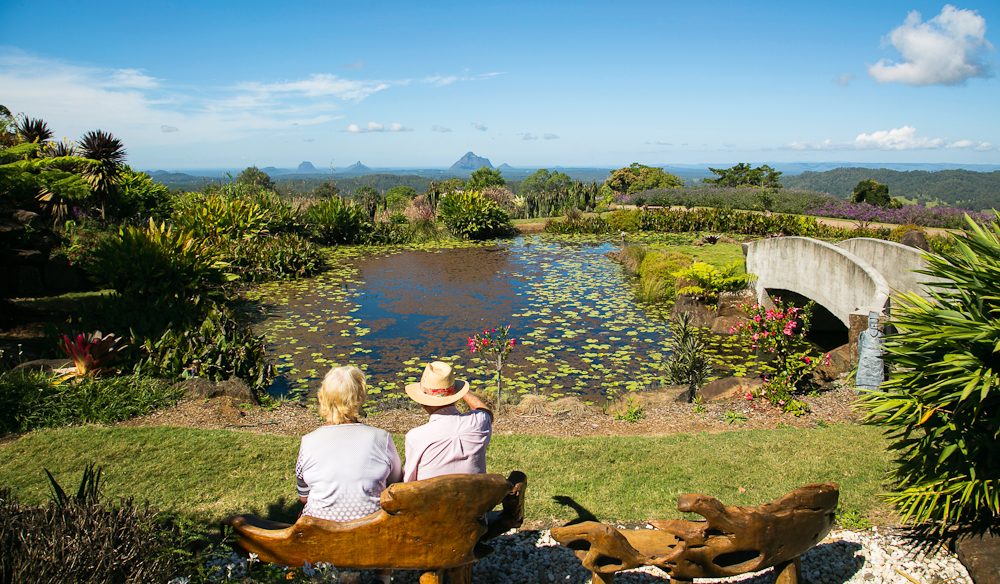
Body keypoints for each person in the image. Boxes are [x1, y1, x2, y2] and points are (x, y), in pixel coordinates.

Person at [295, 365, 402, 522]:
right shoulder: (381, 438)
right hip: (373, 528)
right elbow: (395, 484)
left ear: (322, 397)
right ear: (359, 397)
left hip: (320, 531)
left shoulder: (308, 442)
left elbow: (303, 497)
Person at [403, 360, 493, 482]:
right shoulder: (478, 422)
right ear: (456, 395)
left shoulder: (416, 437)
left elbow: (409, 482)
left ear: (422, 402)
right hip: (476, 499)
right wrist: (461, 391)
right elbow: (485, 411)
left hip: (432, 500)